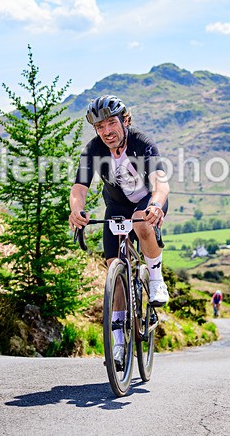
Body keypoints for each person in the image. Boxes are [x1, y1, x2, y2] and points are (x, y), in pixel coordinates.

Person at [69, 95, 170, 369]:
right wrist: (76, 210)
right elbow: (79, 188)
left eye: (111, 123)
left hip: (147, 201)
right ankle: (118, 343)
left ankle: (156, 280)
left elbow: (160, 183)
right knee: (114, 266)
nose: (106, 131)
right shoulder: (93, 150)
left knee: (140, 223)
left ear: (125, 120)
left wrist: (157, 205)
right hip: (116, 205)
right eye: (99, 127)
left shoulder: (141, 143)